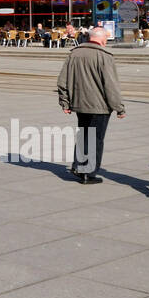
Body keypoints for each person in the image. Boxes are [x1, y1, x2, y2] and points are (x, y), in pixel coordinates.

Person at [56, 26, 126, 184]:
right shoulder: (104, 56)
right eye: (106, 39)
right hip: (99, 107)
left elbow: (62, 81)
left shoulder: (74, 53)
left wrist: (65, 102)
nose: (107, 41)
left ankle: (78, 166)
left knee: (83, 136)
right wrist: (119, 108)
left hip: (79, 104)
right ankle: (88, 173)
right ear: (101, 39)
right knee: (96, 139)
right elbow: (111, 86)